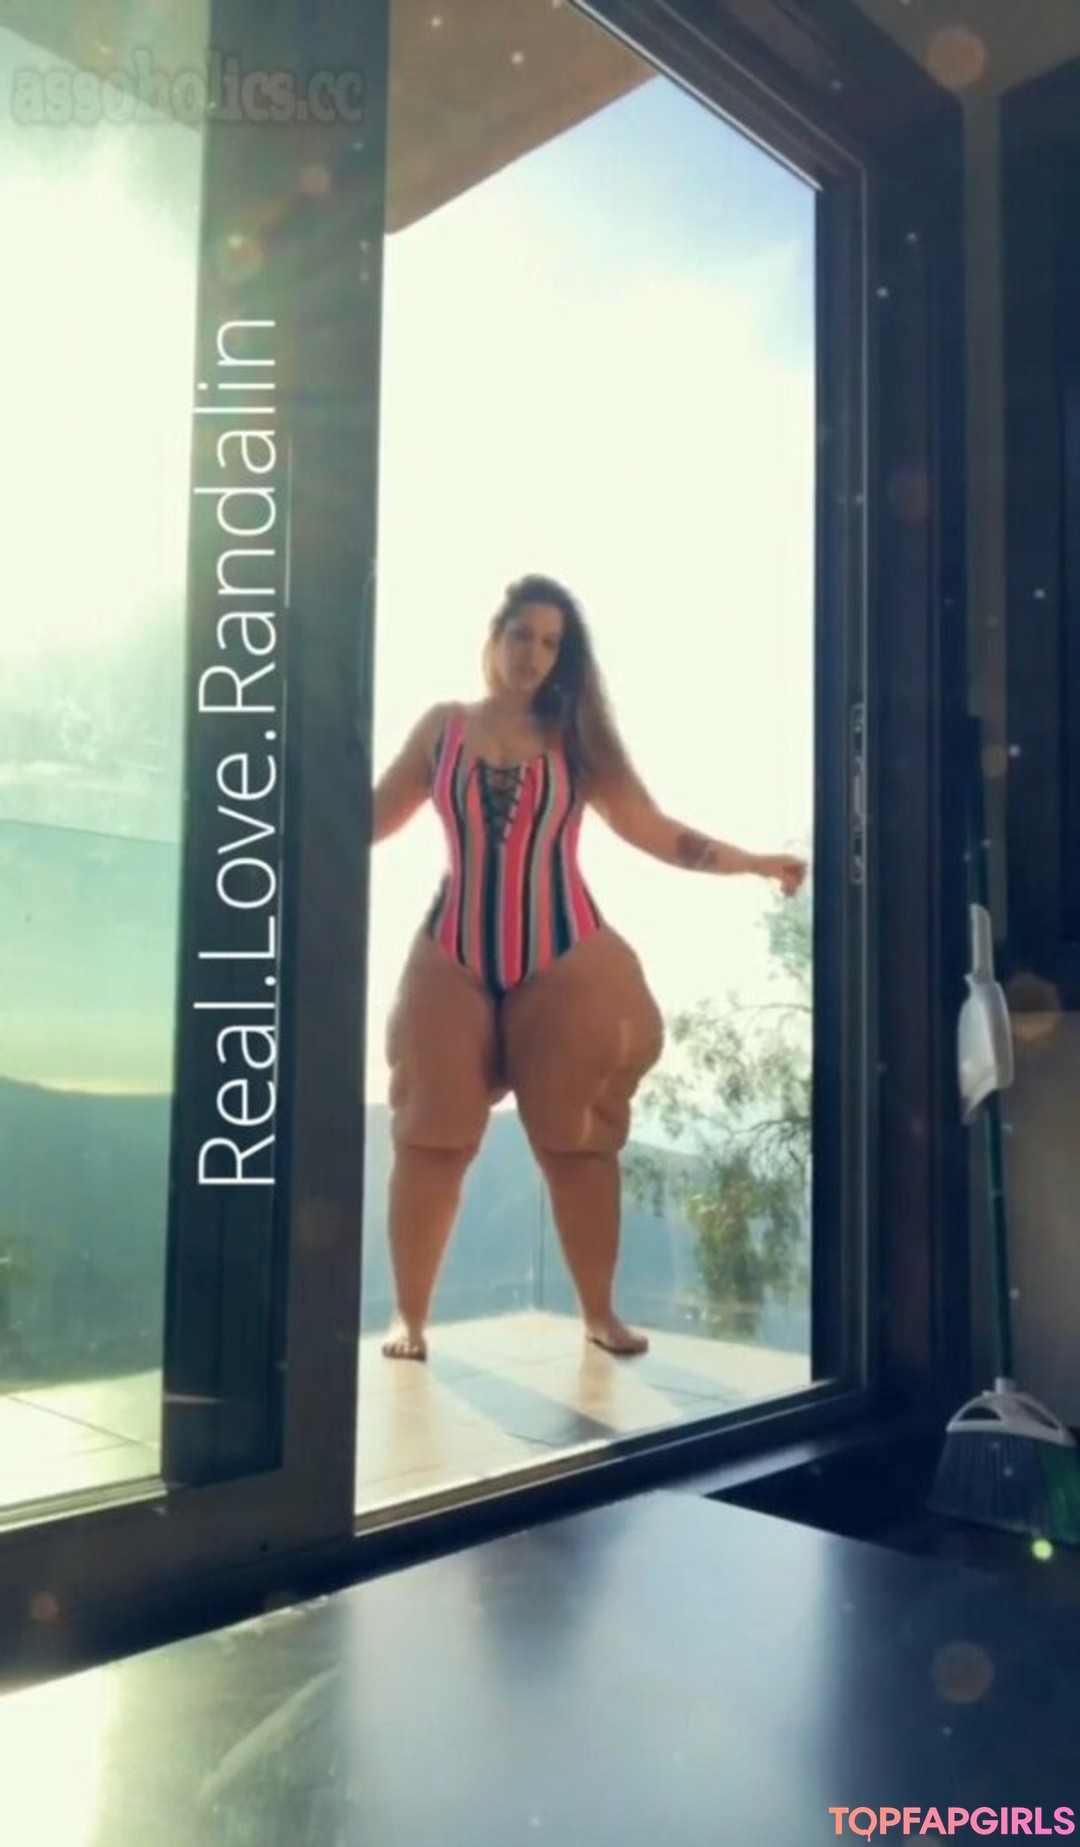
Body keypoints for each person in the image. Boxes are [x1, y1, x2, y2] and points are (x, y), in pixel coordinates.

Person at [371, 574, 807, 1361]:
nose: (533, 654)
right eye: (522, 635)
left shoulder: (576, 739)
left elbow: (654, 830)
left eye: (550, 643)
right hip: (450, 958)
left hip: (564, 958)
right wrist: (281, 813)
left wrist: (752, 861)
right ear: (494, 634)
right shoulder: (442, 727)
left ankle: (600, 1314)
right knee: (430, 1137)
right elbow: (371, 816)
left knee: (577, 1144)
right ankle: (410, 1319)